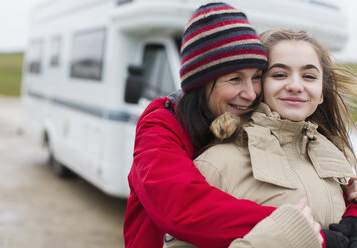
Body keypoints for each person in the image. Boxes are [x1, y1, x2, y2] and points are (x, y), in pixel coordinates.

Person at [123, 2, 357, 248]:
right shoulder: (162, 125)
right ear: (201, 83)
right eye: (235, 79)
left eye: (256, 77)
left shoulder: (294, 139)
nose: (250, 93)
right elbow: (182, 209)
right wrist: (304, 231)